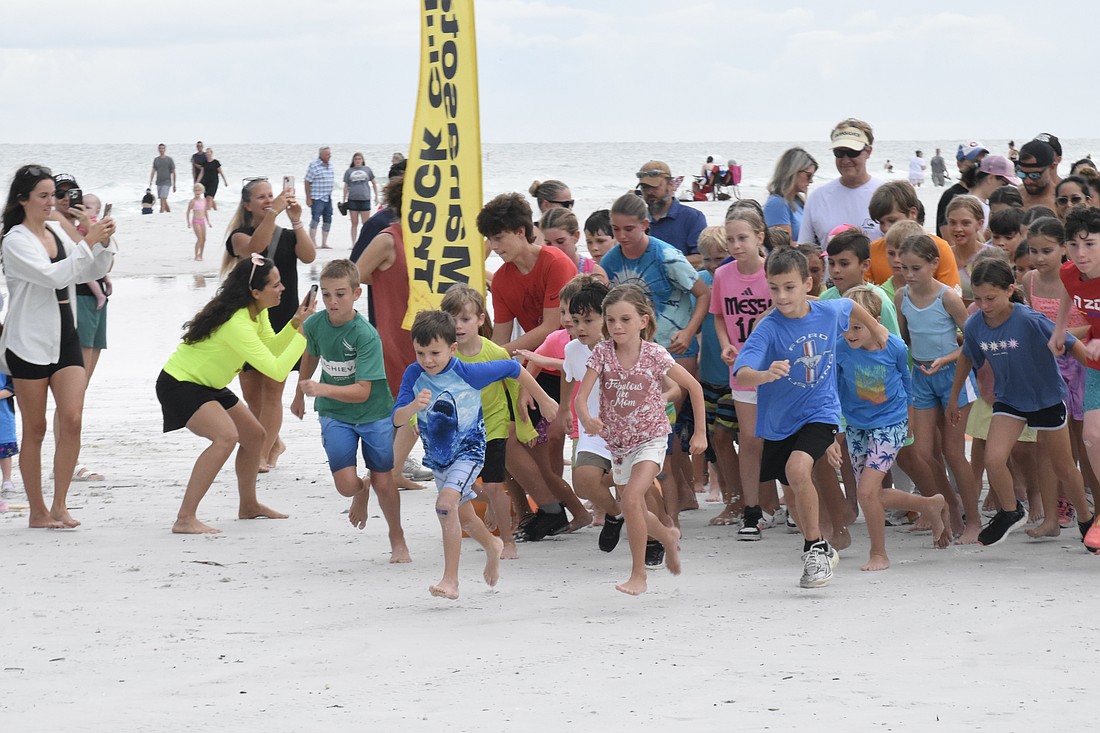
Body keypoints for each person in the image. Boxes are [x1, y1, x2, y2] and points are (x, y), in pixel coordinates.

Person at [733, 248, 889, 588]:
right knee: (791, 489)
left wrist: (877, 329)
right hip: (778, 420)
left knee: (797, 468)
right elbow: (742, 372)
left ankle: (815, 548)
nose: (782, 296)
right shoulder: (767, 328)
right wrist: (764, 375)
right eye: (774, 288)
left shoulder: (827, 311)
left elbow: (850, 305)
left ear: (807, 283)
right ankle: (816, 543)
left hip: (821, 410)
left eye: (789, 287)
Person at [392, 309, 558, 600]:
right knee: (465, 517)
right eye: (420, 353)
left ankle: (450, 580)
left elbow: (513, 369)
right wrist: (412, 408)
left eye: (434, 353)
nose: (427, 361)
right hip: (440, 459)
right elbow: (396, 419)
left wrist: (543, 399)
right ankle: (492, 546)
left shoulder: (466, 372)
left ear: (452, 349)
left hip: (469, 452)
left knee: (445, 506)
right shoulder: (414, 374)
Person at [950, 257, 1099, 549]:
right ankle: (1010, 511)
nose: (984, 305)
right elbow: (967, 356)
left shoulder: (1029, 320)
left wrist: (1096, 367)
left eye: (990, 298)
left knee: (1064, 467)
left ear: (1009, 290)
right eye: (978, 299)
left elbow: (1071, 343)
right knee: (994, 458)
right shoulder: (975, 324)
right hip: (1009, 400)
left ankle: (1085, 519)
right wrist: (954, 396)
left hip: (1045, 398)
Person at [0, 164, 117, 528]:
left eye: (54, 195)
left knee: (72, 419)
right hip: (27, 342)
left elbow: (86, 271)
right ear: (23, 200)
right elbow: (53, 276)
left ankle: (60, 504)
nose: (52, 202)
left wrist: (103, 241)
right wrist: (87, 242)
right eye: (44, 196)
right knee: (34, 429)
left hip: (67, 334)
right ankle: (37, 511)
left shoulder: (57, 232)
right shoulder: (15, 240)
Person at [157, 254, 308, 534]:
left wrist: (296, 324)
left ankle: (248, 506)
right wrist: (305, 338)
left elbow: (272, 350)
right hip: (180, 384)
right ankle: (185, 518)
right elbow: (276, 370)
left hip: (208, 385)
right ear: (255, 292)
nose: (282, 289)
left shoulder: (257, 312)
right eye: (275, 285)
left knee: (256, 435)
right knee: (226, 436)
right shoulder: (237, 324)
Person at [575, 284, 706, 595]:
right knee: (634, 508)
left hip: (652, 439)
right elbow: (582, 398)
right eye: (610, 320)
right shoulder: (602, 354)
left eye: (625, 319)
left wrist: (700, 432)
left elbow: (694, 388)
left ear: (643, 321)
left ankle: (638, 575)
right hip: (618, 444)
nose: (617, 327)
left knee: (631, 499)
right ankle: (666, 536)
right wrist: (587, 419)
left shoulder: (655, 355)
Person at [290, 259, 411, 562]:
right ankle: (361, 489)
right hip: (334, 413)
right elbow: (311, 353)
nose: (333, 301)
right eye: (327, 294)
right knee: (345, 487)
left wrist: (321, 389)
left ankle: (397, 538)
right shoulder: (315, 323)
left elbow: (363, 392)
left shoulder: (365, 335)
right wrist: (300, 391)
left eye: (341, 294)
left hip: (373, 413)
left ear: (357, 294)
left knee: (384, 481)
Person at [836, 285, 950, 570]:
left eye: (857, 327)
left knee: (866, 493)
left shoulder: (895, 347)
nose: (849, 334)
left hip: (890, 423)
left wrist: (910, 420)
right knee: (870, 493)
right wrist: (835, 425)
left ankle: (879, 554)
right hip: (857, 426)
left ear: (875, 320)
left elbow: (906, 382)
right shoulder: (839, 348)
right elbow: (834, 388)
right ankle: (928, 505)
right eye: (844, 327)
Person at [223, 178, 316, 472]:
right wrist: (273, 213)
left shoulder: (287, 236)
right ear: (247, 204)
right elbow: (255, 249)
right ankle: (274, 442)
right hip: (249, 320)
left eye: (270, 195)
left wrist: (297, 220)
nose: (267, 200)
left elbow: (310, 256)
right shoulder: (239, 236)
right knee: (252, 395)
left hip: (284, 318)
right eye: (261, 197)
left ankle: (260, 454)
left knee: (273, 392)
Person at [440, 285, 538, 560]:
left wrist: (524, 426)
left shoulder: (495, 352)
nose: (458, 326)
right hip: (461, 430)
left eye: (465, 319)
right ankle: (492, 505)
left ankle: (508, 541)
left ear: (481, 319)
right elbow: (426, 386)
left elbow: (516, 387)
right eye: (452, 319)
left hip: (493, 425)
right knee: (462, 483)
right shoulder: (444, 354)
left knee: (495, 485)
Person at [895, 233, 982, 544]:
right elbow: (905, 340)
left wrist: (945, 358)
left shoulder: (947, 297)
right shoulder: (901, 296)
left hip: (952, 377)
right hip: (921, 375)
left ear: (934, 264)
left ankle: (973, 521)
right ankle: (950, 504)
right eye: (903, 267)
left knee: (953, 452)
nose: (908, 274)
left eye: (915, 268)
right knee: (920, 450)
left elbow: (972, 341)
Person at [352, 176, 433, 489]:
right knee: (410, 399)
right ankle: (387, 472)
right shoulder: (389, 238)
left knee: (416, 399)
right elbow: (356, 274)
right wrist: (387, 282)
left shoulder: (430, 238)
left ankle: (390, 471)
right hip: (396, 330)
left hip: (428, 331)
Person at [712, 208, 775, 537]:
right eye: (731, 239)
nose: (736, 245)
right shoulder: (723, 276)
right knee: (749, 440)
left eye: (742, 238)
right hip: (742, 371)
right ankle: (752, 509)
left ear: (759, 238)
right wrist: (725, 344)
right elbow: (720, 316)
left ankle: (790, 504)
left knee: (781, 436)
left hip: (775, 371)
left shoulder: (772, 275)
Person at [798, 118, 883, 245]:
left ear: (868, 152)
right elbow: (804, 250)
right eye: (839, 152)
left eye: (852, 152)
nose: (845, 159)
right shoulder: (818, 198)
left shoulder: (885, 195)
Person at [865, 181, 960, 291]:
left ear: (913, 213)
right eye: (881, 222)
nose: (885, 228)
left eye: (892, 220)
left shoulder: (940, 247)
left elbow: (953, 296)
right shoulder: (873, 250)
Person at [635, 161, 706, 265]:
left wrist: (665, 263)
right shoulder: (636, 219)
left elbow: (703, 257)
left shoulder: (692, 217)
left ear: (671, 185)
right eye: (645, 187)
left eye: (655, 186)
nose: (649, 192)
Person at [539, 207, 607, 282]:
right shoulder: (541, 272)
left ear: (576, 236)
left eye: (560, 241)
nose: (554, 248)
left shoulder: (594, 273)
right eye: (548, 243)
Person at [944, 195, 991, 304]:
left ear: (980, 224)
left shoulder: (991, 256)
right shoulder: (942, 256)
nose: (958, 229)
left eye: (965, 223)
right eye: (952, 223)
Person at [936, 140, 987, 239]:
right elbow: (949, 237)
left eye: (982, 162)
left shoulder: (984, 195)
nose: (979, 167)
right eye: (975, 162)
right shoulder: (951, 196)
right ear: (960, 164)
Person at [763, 147, 817, 240]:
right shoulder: (777, 204)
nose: (811, 181)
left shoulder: (797, 202)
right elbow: (783, 247)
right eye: (809, 175)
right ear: (793, 172)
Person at [342, 152, 378, 247]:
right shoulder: (349, 171)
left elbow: (374, 183)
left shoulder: (367, 170)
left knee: (365, 223)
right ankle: (353, 244)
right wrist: (343, 199)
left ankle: (364, 242)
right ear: (353, 161)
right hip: (353, 199)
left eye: (359, 159)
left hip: (365, 199)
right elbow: (346, 186)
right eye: (356, 159)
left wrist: (376, 195)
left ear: (362, 160)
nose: (357, 161)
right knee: (354, 223)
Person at [305, 146, 336, 249]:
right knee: (315, 219)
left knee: (328, 219)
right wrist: (308, 198)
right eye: (327, 154)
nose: (329, 156)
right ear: (321, 155)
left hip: (328, 197)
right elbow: (307, 181)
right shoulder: (314, 165)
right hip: (317, 197)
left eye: (330, 154)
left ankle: (324, 242)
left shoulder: (330, 165)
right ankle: (313, 242)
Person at [1016, 139, 1058, 211]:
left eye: (1034, 175)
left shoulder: (1061, 202)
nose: (1027, 181)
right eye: (1022, 174)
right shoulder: (1015, 197)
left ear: (1052, 167)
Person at [0, 371, 16, 508]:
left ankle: (7, 480)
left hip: (3, 414)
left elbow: (14, 386)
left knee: (5, 451)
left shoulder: (5, 363)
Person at [148, 143, 176, 213]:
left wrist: (174, 184)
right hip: (159, 182)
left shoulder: (169, 160)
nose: (161, 150)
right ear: (158, 149)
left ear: (165, 149)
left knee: (162, 199)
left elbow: (174, 172)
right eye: (160, 148)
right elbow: (153, 170)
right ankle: (169, 213)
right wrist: (151, 181)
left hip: (167, 182)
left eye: (163, 148)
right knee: (162, 199)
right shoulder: (156, 160)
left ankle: (161, 214)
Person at [186, 183, 211, 261]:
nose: (197, 192)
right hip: (195, 221)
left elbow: (205, 212)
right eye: (196, 190)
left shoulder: (204, 200)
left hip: (202, 221)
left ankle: (201, 255)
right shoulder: (192, 201)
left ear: (202, 191)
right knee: (199, 238)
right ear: (194, 191)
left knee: (204, 239)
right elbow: (188, 212)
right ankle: (196, 255)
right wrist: (188, 222)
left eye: (199, 190)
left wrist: (208, 222)